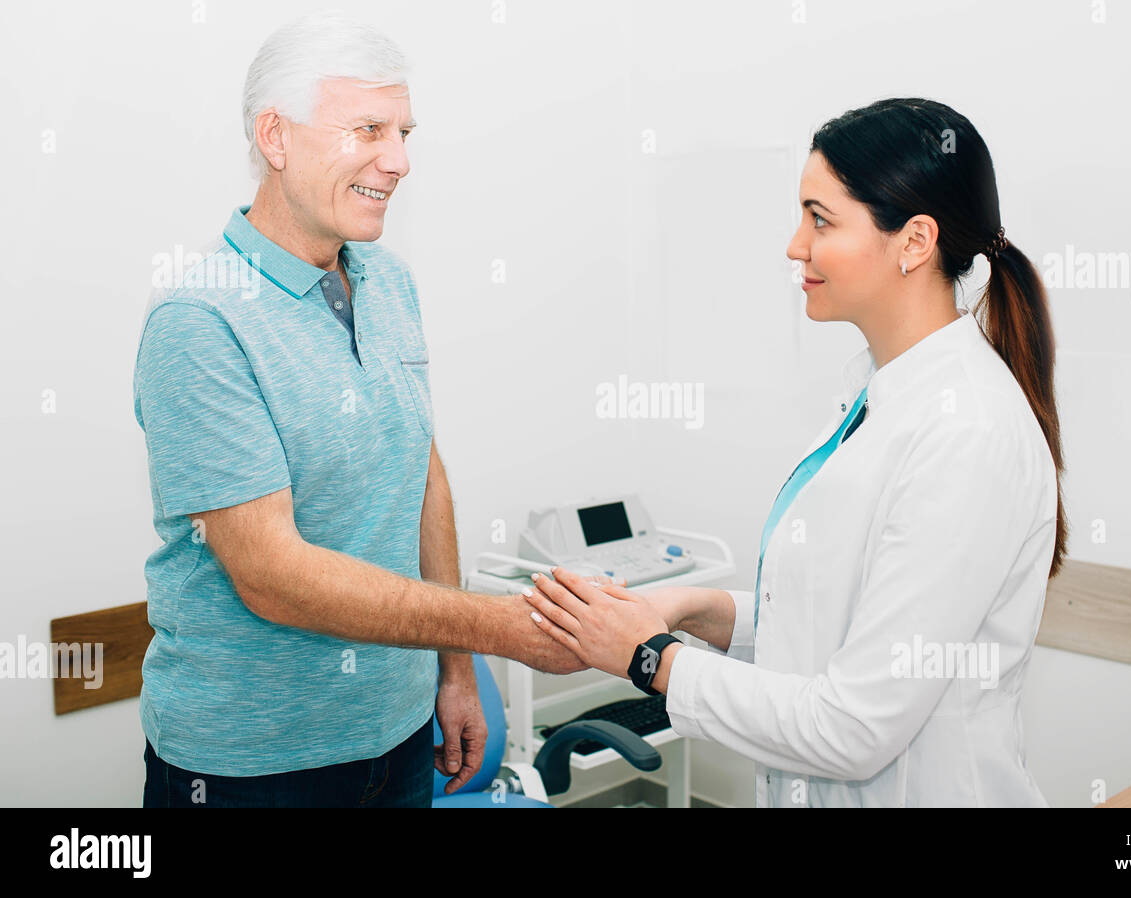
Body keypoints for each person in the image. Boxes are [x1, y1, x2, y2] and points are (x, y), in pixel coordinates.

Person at [523, 98, 1069, 807]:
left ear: (914, 241)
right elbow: (833, 617)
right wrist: (699, 607)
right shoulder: (880, 396)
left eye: (820, 219)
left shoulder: (967, 433)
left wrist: (648, 657)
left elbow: (853, 728)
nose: (794, 245)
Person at [133, 12, 586, 808]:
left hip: (401, 735)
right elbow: (274, 578)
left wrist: (453, 673)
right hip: (255, 767)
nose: (401, 160)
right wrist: (504, 629)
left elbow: (423, 475)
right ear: (275, 136)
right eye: (369, 129)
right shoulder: (199, 322)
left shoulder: (389, 281)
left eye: (405, 131)